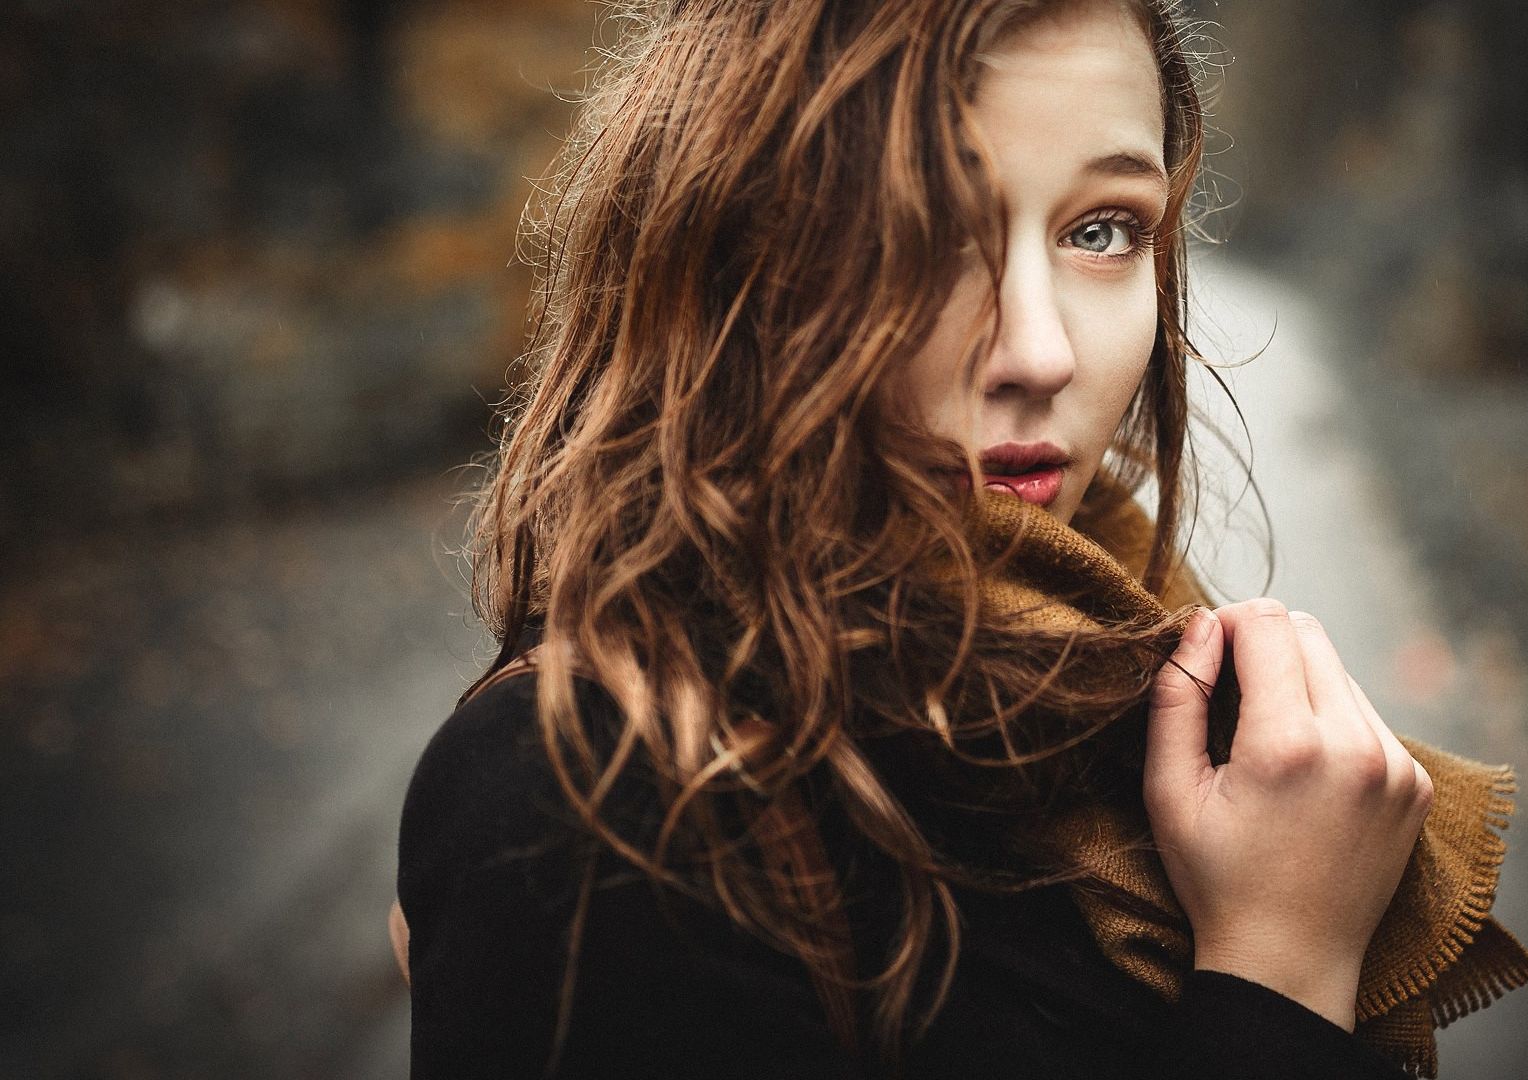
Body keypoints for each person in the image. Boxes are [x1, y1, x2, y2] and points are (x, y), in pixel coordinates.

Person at [392, 1, 1460, 1077]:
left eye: (1103, 230)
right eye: (930, 234)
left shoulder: (1113, 671)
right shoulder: (591, 796)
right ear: (734, 264)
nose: (1039, 353)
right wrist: (1281, 971)